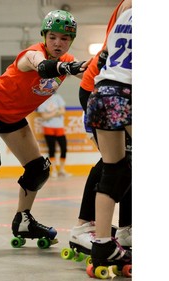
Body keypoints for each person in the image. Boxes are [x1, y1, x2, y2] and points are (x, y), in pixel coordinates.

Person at [0, 10, 92, 252]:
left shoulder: (68, 61)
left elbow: (92, 75)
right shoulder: (31, 54)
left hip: (13, 119)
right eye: (53, 37)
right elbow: (41, 66)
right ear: (44, 36)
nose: (58, 43)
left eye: (64, 39)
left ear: (71, 41)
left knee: (38, 169)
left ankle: (23, 220)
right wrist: (69, 67)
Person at [67, 0, 132, 259]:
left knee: (118, 165)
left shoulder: (129, 11)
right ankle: (86, 225)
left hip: (104, 88)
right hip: (117, 89)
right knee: (119, 164)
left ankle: (112, 236)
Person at [86, 6, 132, 274]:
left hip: (102, 91)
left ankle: (102, 244)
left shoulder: (125, 14)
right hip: (127, 93)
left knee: (114, 169)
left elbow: (104, 57)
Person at [37, 94, 71, 178]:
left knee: (64, 147)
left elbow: (63, 111)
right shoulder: (42, 100)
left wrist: (50, 114)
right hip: (48, 127)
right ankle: (54, 170)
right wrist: (56, 112)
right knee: (51, 149)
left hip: (59, 127)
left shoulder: (57, 97)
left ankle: (62, 169)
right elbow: (44, 117)